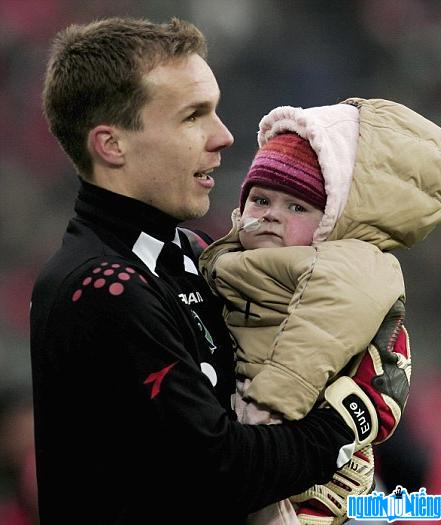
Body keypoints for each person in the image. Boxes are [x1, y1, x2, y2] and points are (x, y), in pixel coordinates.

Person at [30, 17, 412, 525]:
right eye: (193, 116)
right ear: (112, 145)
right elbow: (222, 469)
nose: (225, 136)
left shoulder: (193, 253)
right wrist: (345, 426)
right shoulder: (100, 286)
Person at [199, 98, 441, 524]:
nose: (271, 216)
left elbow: (323, 351)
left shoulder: (348, 269)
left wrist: (272, 414)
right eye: (261, 200)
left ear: (332, 221)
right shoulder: (207, 263)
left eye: (297, 207)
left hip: (301, 467)